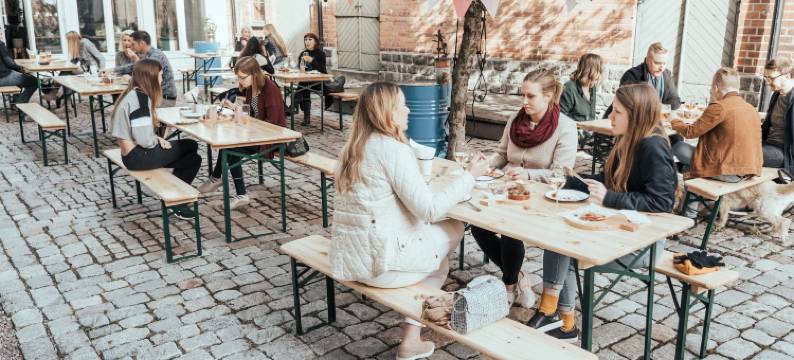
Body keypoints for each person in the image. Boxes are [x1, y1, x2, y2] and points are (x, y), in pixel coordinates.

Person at [330, 82, 490, 360]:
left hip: (350, 260)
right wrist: (469, 177)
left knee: (435, 251)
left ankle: (413, 331)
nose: (407, 110)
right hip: (380, 266)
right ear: (387, 113)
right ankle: (411, 339)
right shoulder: (392, 149)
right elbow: (429, 210)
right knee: (452, 233)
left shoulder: (351, 148)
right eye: (401, 105)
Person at [528, 83, 677, 342]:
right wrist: (574, 182)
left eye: (617, 112)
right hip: (620, 228)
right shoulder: (628, 139)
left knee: (566, 247)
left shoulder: (653, 147)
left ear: (636, 115)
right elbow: (609, 179)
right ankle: (560, 320)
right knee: (558, 235)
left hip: (643, 243)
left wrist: (609, 198)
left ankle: (556, 317)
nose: (610, 116)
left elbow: (662, 201)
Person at [472, 68, 578, 307]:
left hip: (540, 198)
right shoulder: (515, 119)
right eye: (523, 95)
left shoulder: (566, 127)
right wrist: (484, 165)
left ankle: (509, 286)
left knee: (509, 228)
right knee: (478, 226)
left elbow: (561, 174)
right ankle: (519, 276)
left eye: (531, 96)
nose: (524, 101)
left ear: (548, 96)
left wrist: (529, 174)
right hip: (506, 190)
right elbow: (502, 154)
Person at [110, 59, 202, 219]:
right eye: (160, 75)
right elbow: (145, 141)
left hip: (133, 154)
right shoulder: (140, 100)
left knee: (192, 157)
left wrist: (157, 139)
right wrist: (155, 140)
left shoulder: (133, 94)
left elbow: (140, 133)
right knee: (191, 146)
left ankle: (175, 194)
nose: (162, 79)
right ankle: (176, 201)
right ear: (150, 77)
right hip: (138, 156)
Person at [197, 57, 287, 209]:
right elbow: (250, 113)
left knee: (231, 148)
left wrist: (249, 130)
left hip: (271, 139)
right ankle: (220, 181)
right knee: (227, 145)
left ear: (255, 74)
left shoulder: (270, 89)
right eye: (238, 77)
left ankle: (229, 186)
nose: (239, 81)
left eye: (242, 77)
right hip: (256, 134)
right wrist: (234, 108)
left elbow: (274, 124)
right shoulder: (252, 87)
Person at [671, 67, 762, 182]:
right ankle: (684, 170)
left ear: (715, 88)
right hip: (749, 170)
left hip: (727, 170)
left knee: (679, 147)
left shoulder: (719, 106)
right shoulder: (752, 109)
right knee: (682, 166)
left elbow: (690, 132)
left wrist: (673, 121)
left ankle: (680, 171)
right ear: (737, 88)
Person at [604, 42, 681, 117]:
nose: (661, 68)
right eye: (657, 63)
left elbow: (676, 101)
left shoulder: (666, 74)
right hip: (616, 119)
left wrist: (658, 107)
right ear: (647, 60)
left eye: (664, 63)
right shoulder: (632, 75)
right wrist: (660, 107)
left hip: (650, 121)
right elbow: (629, 103)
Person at [109, 31, 177, 104]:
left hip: (164, 99)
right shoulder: (148, 55)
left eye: (133, 44)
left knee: (128, 102)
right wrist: (111, 70)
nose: (131, 46)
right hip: (155, 96)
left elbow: (145, 80)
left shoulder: (156, 56)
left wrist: (129, 79)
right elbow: (132, 66)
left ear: (142, 43)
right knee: (125, 99)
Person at [761, 56, 794, 175]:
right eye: (766, 77)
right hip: (768, 144)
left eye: (771, 78)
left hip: (783, 152)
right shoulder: (776, 95)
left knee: (745, 154)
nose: (767, 82)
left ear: (787, 76)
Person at [294, 32, 327, 126]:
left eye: (310, 39)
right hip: (306, 81)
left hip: (319, 81)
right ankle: (306, 118)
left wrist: (312, 61)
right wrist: (301, 67)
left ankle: (293, 104)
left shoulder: (320, 54)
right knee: (304, 87)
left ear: (315, 41)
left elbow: (322, 70)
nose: (307, 42)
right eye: (305, 40)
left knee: (303, 86)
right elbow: (301, 69)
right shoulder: (303, 53)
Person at [560, 53, 601, 122]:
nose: (599, 74)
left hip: (589, 128)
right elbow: (561, 117)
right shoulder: (569, 88)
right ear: (589, 70)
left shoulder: (592, 87)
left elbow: (591, 116)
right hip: (573, 128)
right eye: (598, 70)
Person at [0, 30, 37, 104]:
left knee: (19, 77)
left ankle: (15, 101)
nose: (1, 33)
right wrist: (21, 69)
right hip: (3, 78)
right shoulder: (0, 44)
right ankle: (20, 104)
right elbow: (10, 64)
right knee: (34, 82)